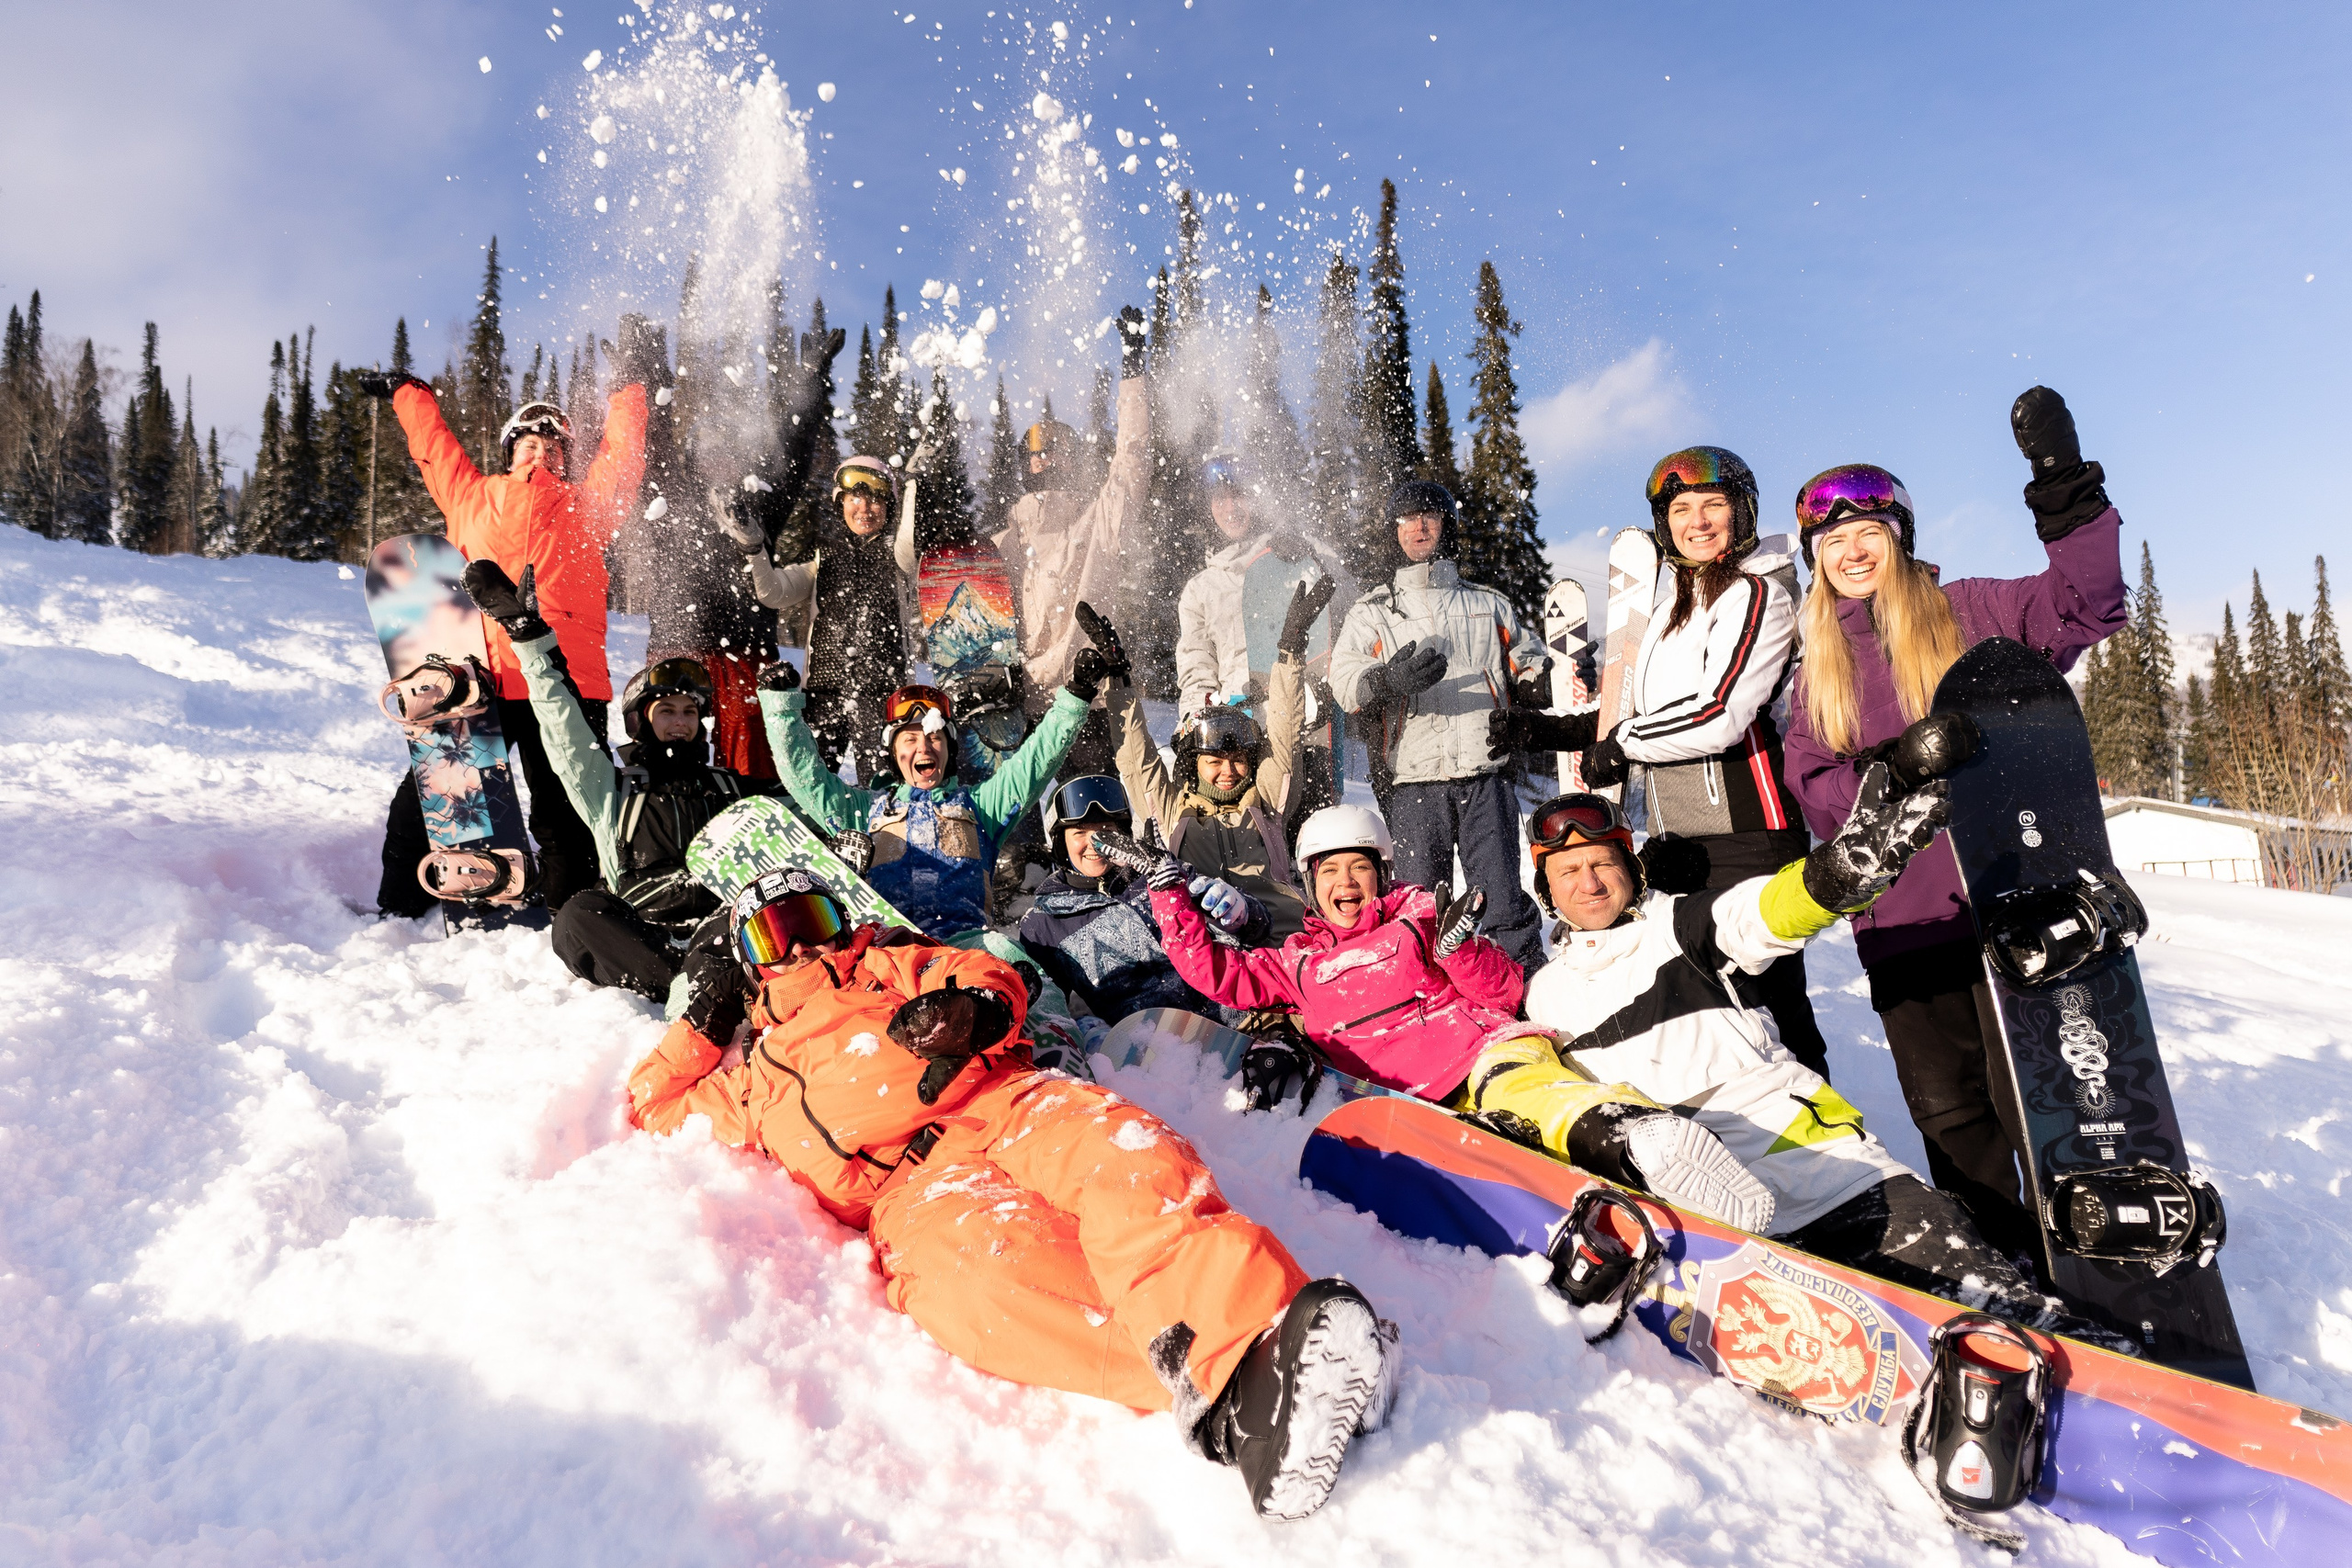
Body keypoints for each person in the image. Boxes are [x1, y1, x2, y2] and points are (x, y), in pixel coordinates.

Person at [625, 870, 1398, 1519]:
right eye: (774, 934)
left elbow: (984, 974)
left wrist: (974, 1011)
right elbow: (653, 1103)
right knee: (991, 1285)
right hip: (915, 1192)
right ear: (752, 960)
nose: (803, 942)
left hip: (1004, 1099)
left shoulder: (887, 966)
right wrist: (702, 1020)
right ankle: (1246, 1397)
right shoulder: (754, 1084)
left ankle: (1269, 1330)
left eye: (813, 917)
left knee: (1129, 1162)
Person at [1487, 783, 2132, 1348]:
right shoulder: (1546, 994)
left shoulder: (1680, 923)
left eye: (1602, 862)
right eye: (1568, 869)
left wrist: (1837, 874)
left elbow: (1764, 912)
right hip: (1710, 1216)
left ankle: (2127, 1384)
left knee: (1991, 1302)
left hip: (1831, 1174)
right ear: (1545, 887)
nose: (1590, 881)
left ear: (1631, 867)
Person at [1781, 387, 2127, 1261]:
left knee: (2041, 1108)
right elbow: (1814, 787)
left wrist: (2064, 489)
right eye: (1833, 542)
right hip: (1901, 932)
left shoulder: (1969, 611)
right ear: (1815, 560)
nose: (1853, 551)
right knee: (1954, 1123)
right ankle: (2006, 1271)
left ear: (1900, 538)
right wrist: (1891, 771)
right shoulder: (1817, 670)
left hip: (2006, 906)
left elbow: (2085, 604)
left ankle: (2089, 1266)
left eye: (1870, 534)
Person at [1107, 806, 1777, 1218]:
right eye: (1330, 872)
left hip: (1483, 1054)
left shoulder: (1419, 919)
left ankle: (1636, 1138)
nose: (1346, 883)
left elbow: (1505, 991)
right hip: (1417, 1106)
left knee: (1537, 1094)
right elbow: (1216, 973)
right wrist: (1169, 892)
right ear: (1310, 885)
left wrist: (1457, 952)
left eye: (1359, 869)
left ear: (1383, 875)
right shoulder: (1299, 963)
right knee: (1497, 1144)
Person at [1488, 446, 1829, 1078]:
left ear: (1743, 512)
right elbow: (1640, 716)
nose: (1697, 521)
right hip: (1676, 841)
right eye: (1681, 509)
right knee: (1709, 1010)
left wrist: (1620, 746)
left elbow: (1720, 712)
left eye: (1713, 505)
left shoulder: (1758, 596)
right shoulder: (1677, 610)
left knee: (1770, 1008)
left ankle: (1820, 1143)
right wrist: (1544, 730)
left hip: (1748, 834)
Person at [359, 335, 650, 914]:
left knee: (567, 809)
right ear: (509, 450)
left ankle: (574, 920)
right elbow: (435, 450)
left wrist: (629, 390)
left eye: (554, 446)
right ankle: (396, 910)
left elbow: (623, 457)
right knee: (431, 797)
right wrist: (407, 392)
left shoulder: (589, 506)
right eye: (529, 443)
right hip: (480, 681)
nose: (541, 453)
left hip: (567, 682)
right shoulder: (472, 496)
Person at [463, 560, 773, 1000]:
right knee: (577, 916)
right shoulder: (611, 787)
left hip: (724, 929)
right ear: (638, 722)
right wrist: (530, 639)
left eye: (689, 712)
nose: (680, 722)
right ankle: (692, 988)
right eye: (666, 711)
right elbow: (563, 724)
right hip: (648, 936)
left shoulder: (728, 784)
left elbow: (797, 818)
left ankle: (719, 981)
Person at [753, 605, 1130, 941]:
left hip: (964, 951)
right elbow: (806, 778)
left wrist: (1077, 694)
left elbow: (1037, 758)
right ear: (893, 751)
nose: (924, 747)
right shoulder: (861, 812)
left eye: (935, 737)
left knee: (1029, 980)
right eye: (911, 738)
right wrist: (782, 709)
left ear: (949, 750)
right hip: (885, 954)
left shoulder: (980, 808)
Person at [1329, 480, 1549, 974]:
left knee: (1498, 899)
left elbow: (1528, 658)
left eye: (1430, 516)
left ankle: (1519, 989)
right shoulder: (1372, 611)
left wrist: (1535, 683)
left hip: (1484, 773)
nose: (1420, 527)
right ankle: (1422, 997)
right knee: (1420, 907)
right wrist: (1384, 680)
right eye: (1407, 519)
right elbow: (1343, 681)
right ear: (1394, 532)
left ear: (1447, 525)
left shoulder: (1488, 603)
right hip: (1412, 779)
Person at [638, 321, 846, 780]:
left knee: (753, 765)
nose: (723, 459)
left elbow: (795, 451)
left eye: (732, 451)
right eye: (711, 450)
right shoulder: (669, 496)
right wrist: (648, 370)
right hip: (679, 643)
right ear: (694, 456)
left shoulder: (758, 505)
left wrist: (812, 376)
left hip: (748, 650)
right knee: (671, 759)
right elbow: (651, 444)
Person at [1114, 577, 1331, 942]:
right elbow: (1137, 758)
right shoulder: (1170, 809)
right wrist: (1117, 683)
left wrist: (1290, 649)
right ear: (1193, 764)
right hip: (1204, 942)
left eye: (1237, 759)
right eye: (1213, 761)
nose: (1228, 772)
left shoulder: (1267, 801)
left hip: (1277, 936)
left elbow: (1285, 732)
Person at [996, 306, 1151, 776]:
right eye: (1036, 455)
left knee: (1087, 819)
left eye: (1055, 453)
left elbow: (1131, 464)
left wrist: (1132, 374)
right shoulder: (1004, 537)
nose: (1045, 462)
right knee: (1009, 830)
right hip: (1015, 705)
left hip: (1086, 698)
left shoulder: (1096, 522)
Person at [1174, 450, 1354, 819]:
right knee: (1255, 845)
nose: (1230, 507)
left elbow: (1348, 598)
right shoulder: (1202, 587)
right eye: (1220, 499)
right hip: (1240, 738)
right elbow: (1196, 668)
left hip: (1306, 722)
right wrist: (1193, 726)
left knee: (1311, 842)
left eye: (1239, 494)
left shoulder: (1298, 554)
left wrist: (1308, 554)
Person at [728, 451, 920, 778]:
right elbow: (773, 592)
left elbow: (909, 541)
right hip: (823, 694)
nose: (865, 508)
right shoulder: (823, 557)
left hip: (884, 697)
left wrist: (914, 482)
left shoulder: (898, 555)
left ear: (889, 508)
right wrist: (754, 548)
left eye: (876, 500)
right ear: (840, 502)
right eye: (855, 498)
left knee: (883, 791)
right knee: (812, 786)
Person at [1018, 775, 1261, 1032]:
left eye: (1106, 832)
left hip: (1241, 1019)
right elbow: (1043, 1012)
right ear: (1059, 842)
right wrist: (1084, 1034)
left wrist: (1242, 911)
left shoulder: (1159, 872)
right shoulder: (1044, 923)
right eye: (1080, 832)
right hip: (1157, 1050)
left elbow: (1260, 930)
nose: (1095, 843)